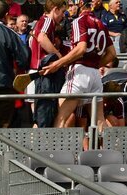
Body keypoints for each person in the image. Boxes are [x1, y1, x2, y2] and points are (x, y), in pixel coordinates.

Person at [41, 0, 111, 129]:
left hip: (79, 72)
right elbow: (112, 54)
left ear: (80, 6)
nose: (70, 10)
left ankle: (54, 149)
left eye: (73, 6)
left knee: (61, 117)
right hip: (95, 75)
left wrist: (57, 63)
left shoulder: (79, 21)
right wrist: (94, 64)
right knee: (100, 120)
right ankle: (109, 149)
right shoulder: (101, 24)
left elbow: (81, 48)